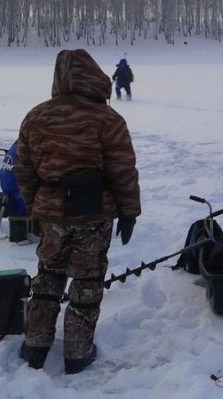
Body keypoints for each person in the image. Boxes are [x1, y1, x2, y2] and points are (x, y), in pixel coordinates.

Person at [15, 49, 141, 374]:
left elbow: (24, 169)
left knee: (47, 277)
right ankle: (77, 353)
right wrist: (129, 212)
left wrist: (34, 206)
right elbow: (122, 170)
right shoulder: (107, 119)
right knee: (87, 281)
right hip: (93, 214)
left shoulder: (36, 115)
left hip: (51, 215)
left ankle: (36, 346)